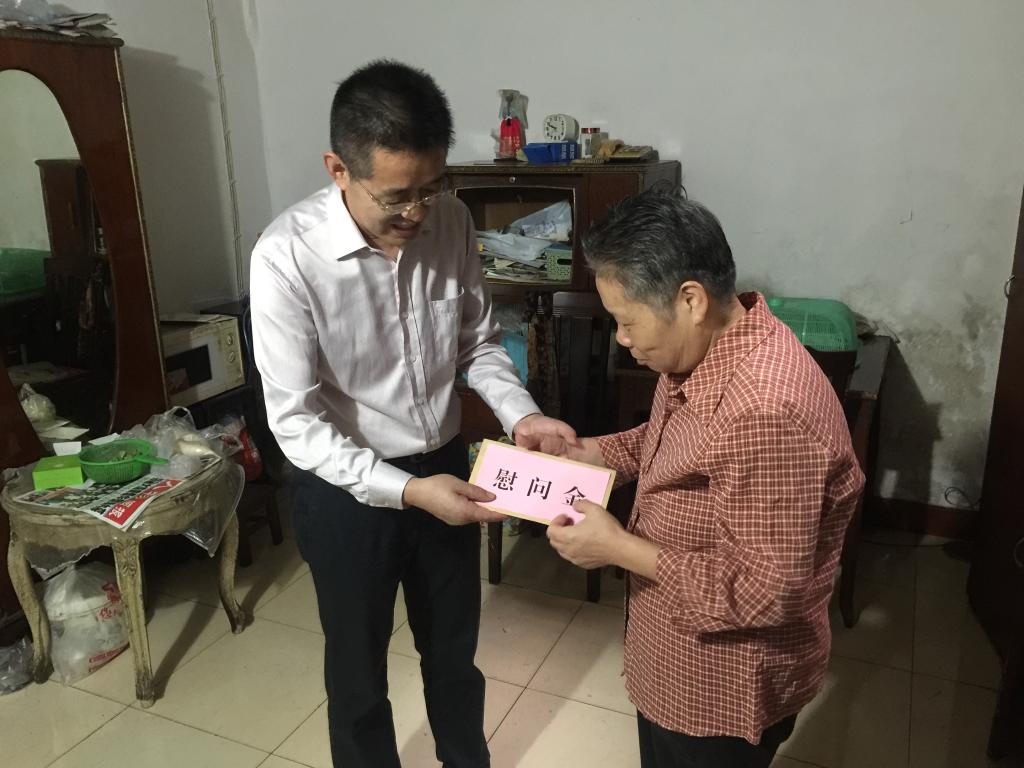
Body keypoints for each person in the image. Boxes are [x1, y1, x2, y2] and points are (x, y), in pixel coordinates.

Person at [249, 60, 574, 768]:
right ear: (338, 169)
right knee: (358, 675)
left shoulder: (451, 220)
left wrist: (519, 415)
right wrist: (407, 491)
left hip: (445, 466)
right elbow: (296, 423)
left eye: (432, 187)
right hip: (345, 491)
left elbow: (478, 343)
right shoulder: (285, 258)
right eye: (397, 197)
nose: (418, 213)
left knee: (454, 656)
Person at [539, 188, 865, 768]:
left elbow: (768, 589)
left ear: (690, 299)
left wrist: (618, 548)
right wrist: (592, 453)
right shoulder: (708, 351)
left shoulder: (766, 409)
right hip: (673, 653)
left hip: (720, 687)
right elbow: (674, 442)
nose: (622, 339)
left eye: (626, 321)